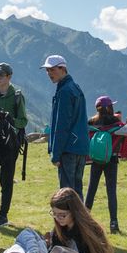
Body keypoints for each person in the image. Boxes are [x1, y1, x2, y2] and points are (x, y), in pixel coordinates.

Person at [0, 62, 28, 228]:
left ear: (9, 77)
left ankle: (2, 216)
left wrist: (8, 119)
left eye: (1, 75)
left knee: (6, 181)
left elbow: (23, 121)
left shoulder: (16, 96)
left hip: (10, 145)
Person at [41, 54, 87, 194]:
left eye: (52, 70)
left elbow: (62, 126)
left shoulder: (65, 91)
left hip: (68, 148)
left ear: (62, 69)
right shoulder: (75, 87)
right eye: (47, 70)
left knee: (67, 193)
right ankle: (80, 216)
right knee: (77, 191)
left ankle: (70, 216)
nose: (49, 73)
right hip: (80, 147)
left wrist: (55, 154)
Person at [84, 96, 127, 234]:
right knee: (111, 191)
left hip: (96, 160)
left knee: (91, 189)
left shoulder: (91, 122)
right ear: (110, 108)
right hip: (111, 160)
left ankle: (83, 220)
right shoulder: (116, 123)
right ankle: (113, 223)